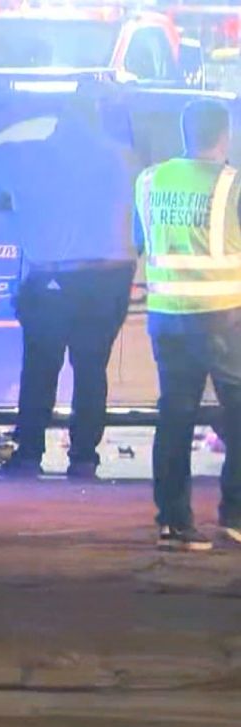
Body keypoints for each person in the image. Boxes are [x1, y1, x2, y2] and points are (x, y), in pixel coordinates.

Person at [0, 87, 139, 479]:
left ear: (59, 118)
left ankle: (29, 453)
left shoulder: (32, 154)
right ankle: (83, 457)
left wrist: (6, 118)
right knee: (91, 369)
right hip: (110, 275)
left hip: (53, 279)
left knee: (41, 368)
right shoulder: (121, 157)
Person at [134, 98, 241, 552]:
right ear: (225, 135)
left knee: (175, 417)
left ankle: (173, 522)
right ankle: (235, 514)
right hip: (222, 319)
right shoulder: (231, 184)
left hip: (167, 319)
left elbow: (143, 241)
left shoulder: (150, 180)